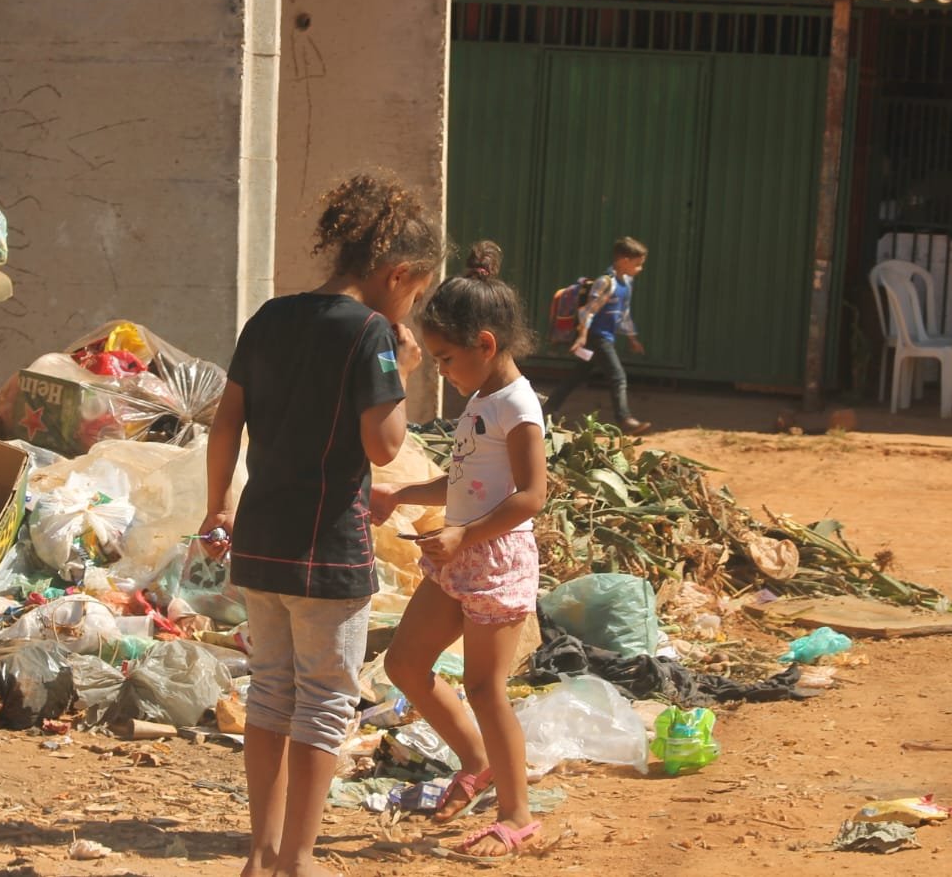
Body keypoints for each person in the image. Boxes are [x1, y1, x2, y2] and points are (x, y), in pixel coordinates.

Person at [202, 174, 442, 877]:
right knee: (326, 703)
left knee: (271, 690)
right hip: (327, 549)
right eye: (418, 294)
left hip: (261, 537)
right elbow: (385, 446)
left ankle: (260, 852)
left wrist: (217, 504)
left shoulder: (270, 315)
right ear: (398, 274)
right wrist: (401, 367)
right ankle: (300, 859)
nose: (413, 308)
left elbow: (225, 422)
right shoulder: (371, 334)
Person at [371, 240, 548, 860]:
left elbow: (530, 497)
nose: (441, 371)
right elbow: (464, 481)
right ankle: (476, 761)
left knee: (485, 687)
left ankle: (518, 815)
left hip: (495, 560)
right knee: (404, 666)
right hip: (458, 558)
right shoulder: (479, 401)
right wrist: (400, 493)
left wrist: (464, 535)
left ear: (486, 346)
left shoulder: (519, 407)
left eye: (445, 359)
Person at [542, 236, 648, 433]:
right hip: (596, 338)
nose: (640, 268)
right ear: (624, 261)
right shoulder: (606, 283)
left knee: (578, 374)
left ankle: (548, 409)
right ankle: (624, 419)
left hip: (601, 338)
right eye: (638, 264)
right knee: (618, 376)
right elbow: (587, 311)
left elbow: (623, 314)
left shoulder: (627, 283)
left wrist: (632, 338)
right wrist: (582, 337)